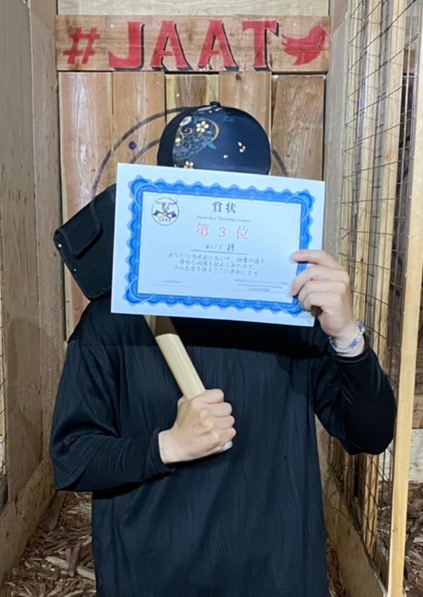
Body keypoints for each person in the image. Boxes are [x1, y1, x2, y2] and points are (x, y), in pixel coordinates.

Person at [50, 103, 396, 597]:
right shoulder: (112, 320)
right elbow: (72, 458)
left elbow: (372, 434)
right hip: (152, 579)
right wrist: (166, 446)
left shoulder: (297, 317)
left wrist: (346, 337)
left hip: (276, 578)